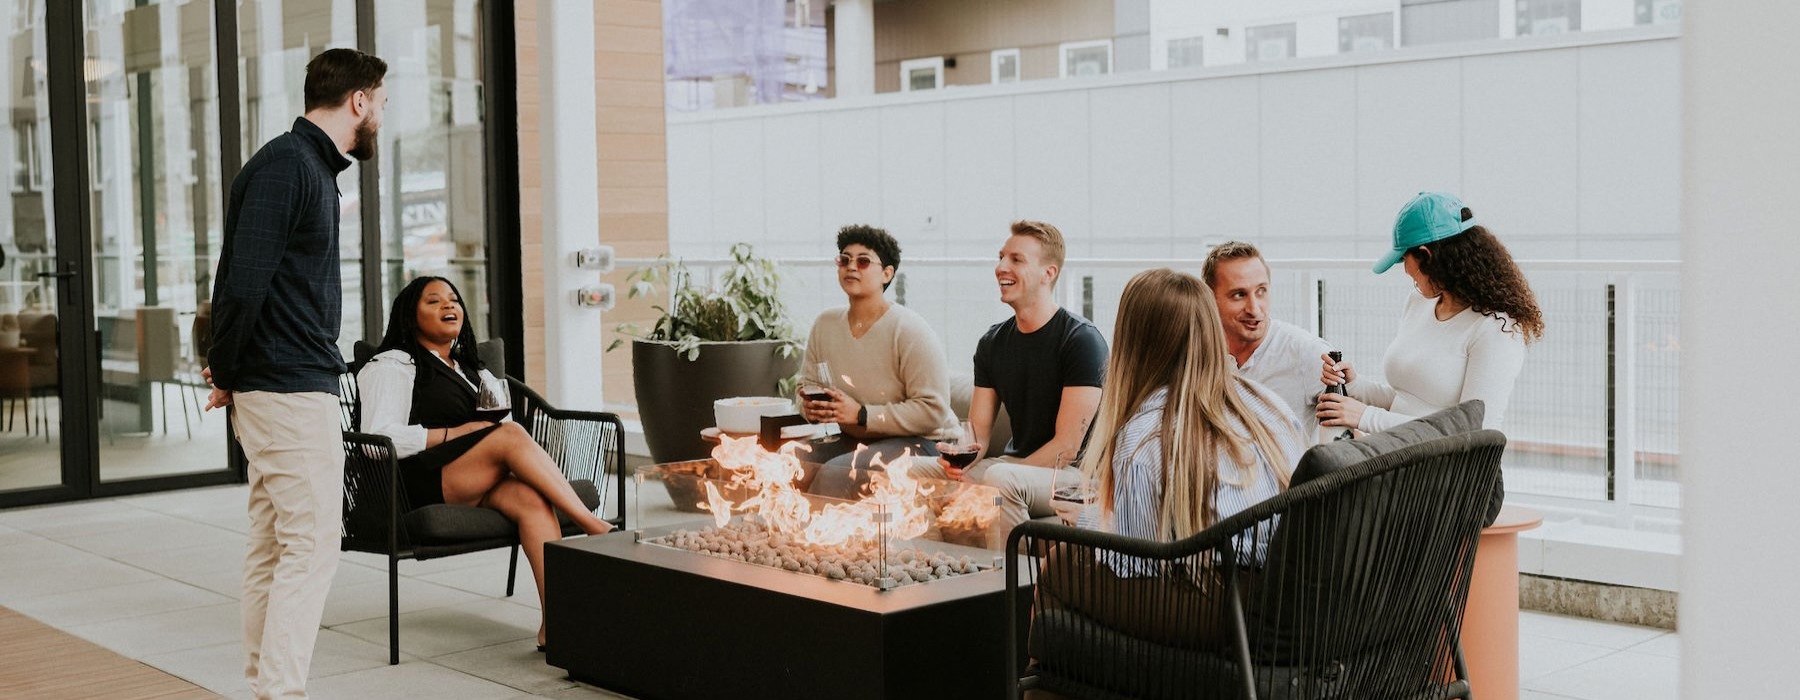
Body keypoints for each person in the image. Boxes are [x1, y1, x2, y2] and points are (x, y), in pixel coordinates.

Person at [203, 48, 386, 700]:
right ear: (358, 101)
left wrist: (231, 369)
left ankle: (266, 685)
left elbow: (246, 276)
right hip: (287, 388)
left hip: (283, 383)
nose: (380, 116)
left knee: (275, 544)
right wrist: (226, 370)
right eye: (380, 103)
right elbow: (240, 282)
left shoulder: (303, 165)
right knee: (311, 546)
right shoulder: (290, 166)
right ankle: (280, 691)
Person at [1042, 268, 1302, 648]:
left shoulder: (1144, 437)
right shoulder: (1270, 406)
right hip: (1285, 597)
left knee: (1058, 564)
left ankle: (1049, 677)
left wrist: (1088, 520)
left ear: (1134, 343)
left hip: (1221, 604)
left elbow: (1137, 564)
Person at [358, 277, 614, 650]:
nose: (449, 305)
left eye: (453, 299)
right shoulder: (393, 365)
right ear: (410, 317)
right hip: (417, 483)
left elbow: (496, 427)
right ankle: (593, 525)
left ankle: (556, 624)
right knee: (510, 435)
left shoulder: (471, 370)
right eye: (433, 301)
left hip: (472, 478)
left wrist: (494, 444)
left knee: (531, 499)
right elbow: (377, 440)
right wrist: (455, 433)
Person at [915, 220, 1107, 549]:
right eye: (1001, 257)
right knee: (913, 471)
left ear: (1048, 273)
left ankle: (1016, 578)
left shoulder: (1081, 340)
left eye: (1016, 259)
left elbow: (1066, 448)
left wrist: (991, 477)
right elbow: (978, 434)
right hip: (1011, 468)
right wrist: (959, 461)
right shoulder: (992, 343)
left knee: (999, 478)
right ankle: (940, 564)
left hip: (1074, 475)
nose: (1001, 267)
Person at [1317, 192, 1544, 434]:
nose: (1405, 270)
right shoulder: (1418, 303)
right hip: (1394, 447)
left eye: (1404, 258)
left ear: (1426, 255)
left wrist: (1366, 417)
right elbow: (1406, 399)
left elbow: (1472, 430)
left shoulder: (1497, 328)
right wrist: (1355, 385)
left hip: (1441, 458)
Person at [799, 226, 959, 498]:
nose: (851, 267)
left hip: (926, 442)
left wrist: (862, 414)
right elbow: (805, 385)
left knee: (837, 473)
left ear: (887, 273)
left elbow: (933, 410)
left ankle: (816, 528)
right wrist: (810, 409)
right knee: (788, 462)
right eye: (844, 260)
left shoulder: (909, 329)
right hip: (858, 439)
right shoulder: (825, 324)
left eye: (863, 261)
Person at [1202, 241, 1334, 442]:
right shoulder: (1196, 353)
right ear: (1210, 299)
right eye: (1239, 295)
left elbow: (1356, 428)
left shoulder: (1307, 353)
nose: (1254, 309)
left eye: (1261, 291)